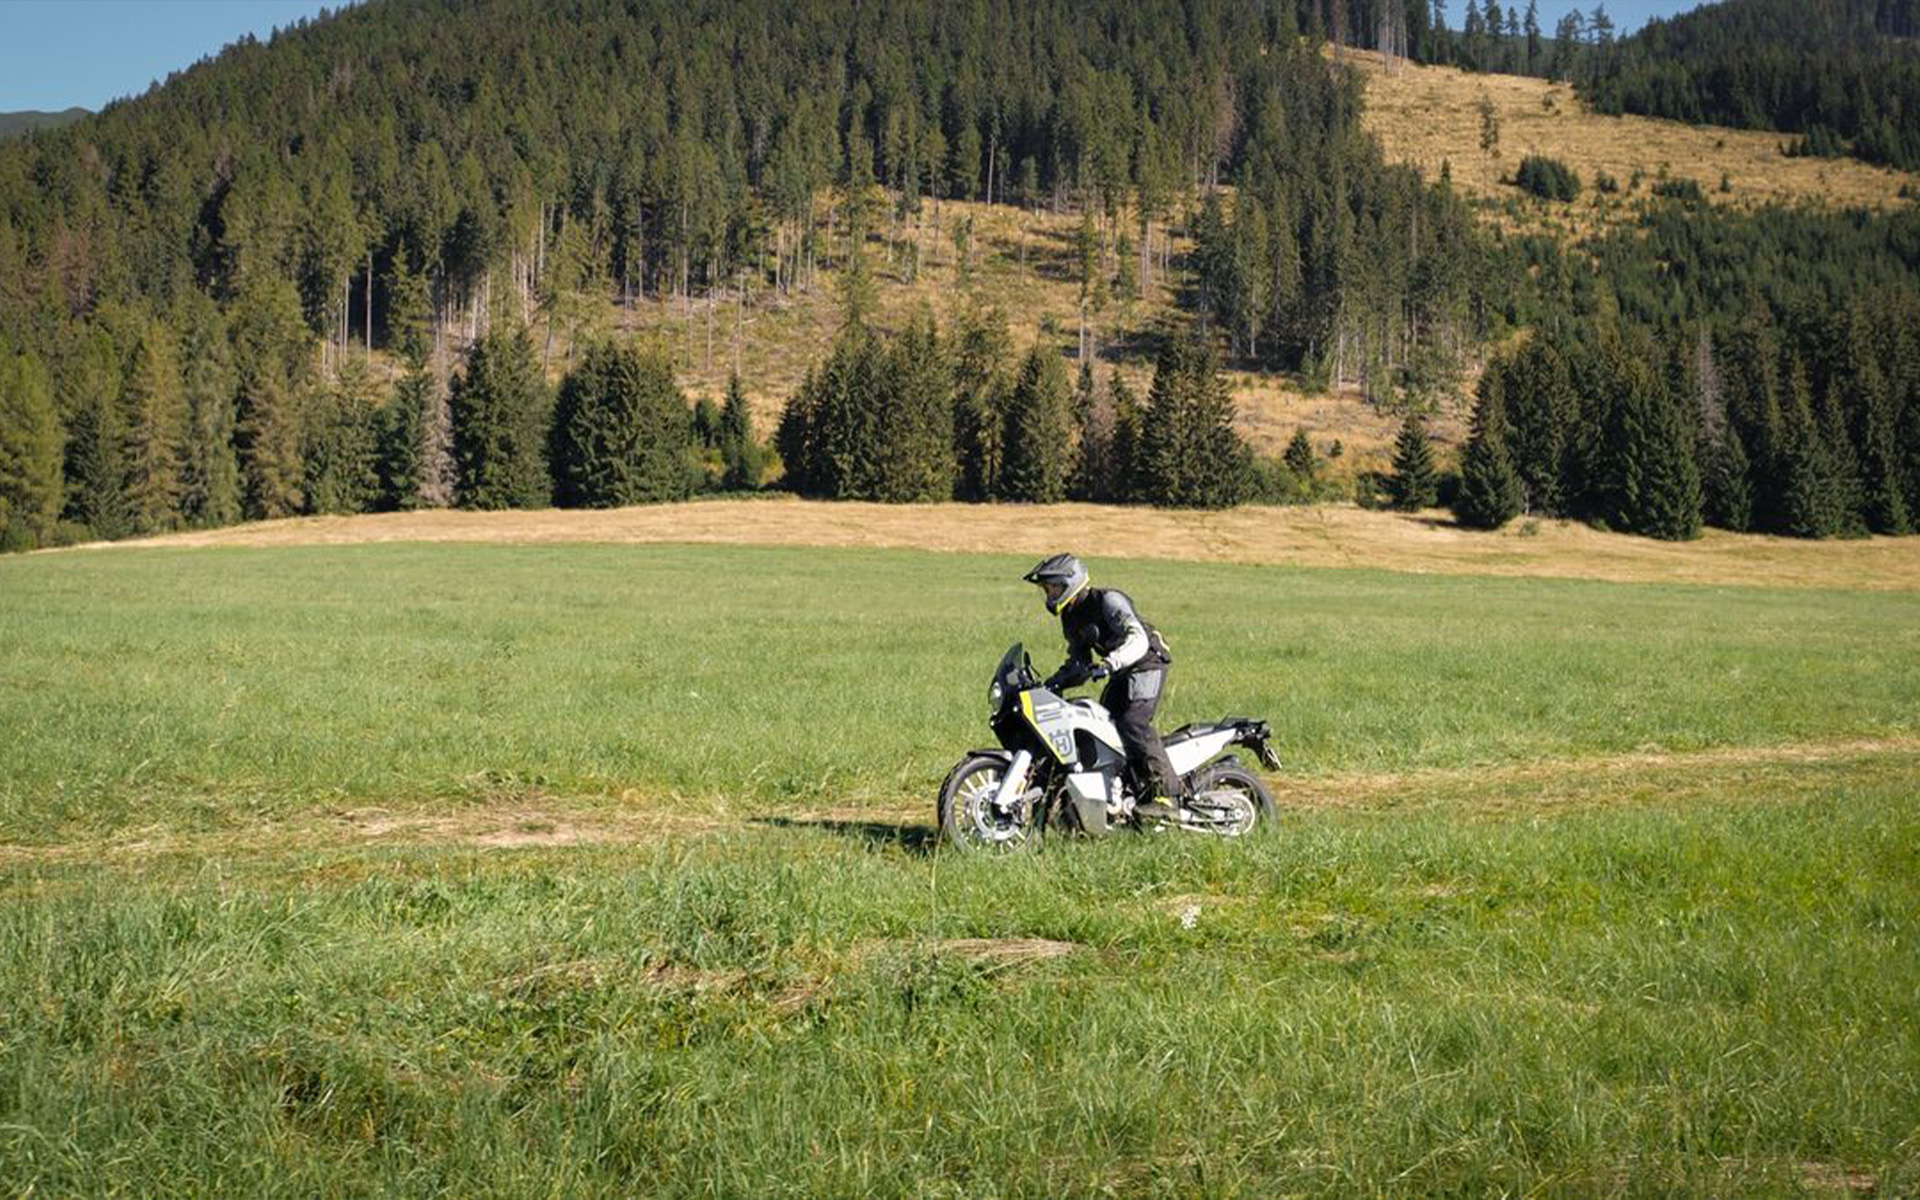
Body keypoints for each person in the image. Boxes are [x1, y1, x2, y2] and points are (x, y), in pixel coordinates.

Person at [1021, 553, 1183, 817]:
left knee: (1133, 723)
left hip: (1147, 663)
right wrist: (1052, 684)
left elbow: (1138, 639)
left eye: (1053, 587)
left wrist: (1110, 663)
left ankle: (1166, 795)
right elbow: (1079, 663)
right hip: (1119, 670)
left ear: (1071, 582)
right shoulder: (1070, 615)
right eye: (1046, 589)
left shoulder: (1108, 600)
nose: (1049, 594)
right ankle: (1128, 792)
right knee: (1104, 728)